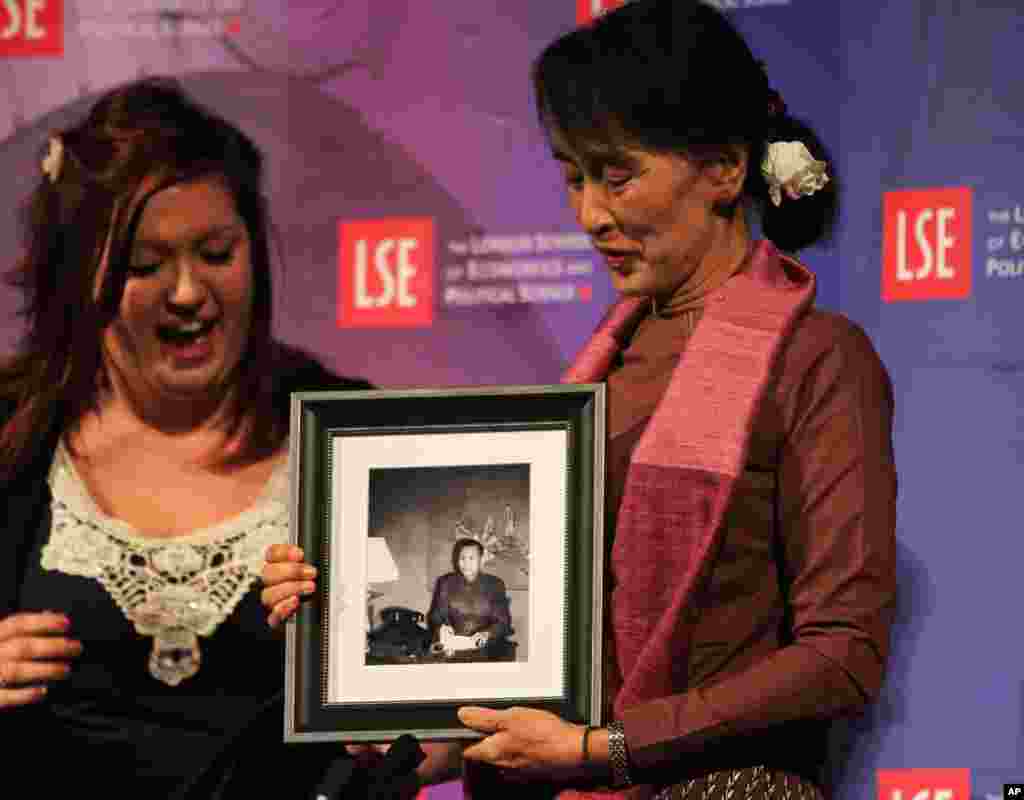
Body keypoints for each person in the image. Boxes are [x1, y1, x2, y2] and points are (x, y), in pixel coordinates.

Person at [263, 1, 897, 798]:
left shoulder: (819, 359)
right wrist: (363, 672)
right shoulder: (596, 370)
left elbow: (841, 656)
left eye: (617, 176)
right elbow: (548, 677)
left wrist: (609, 749)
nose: (591, 215)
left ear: (725, 170)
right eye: (574, 177)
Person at [0, 77, 403, 797]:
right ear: (81, 273)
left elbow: (427, 700)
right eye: (144, 265)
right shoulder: (11, 430)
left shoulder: (348, 430)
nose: (187, 292)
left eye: (216, 253)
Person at [427, 538, 513, 660]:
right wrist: (441, 628)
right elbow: (435, 616)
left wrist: (487, 634)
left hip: (486, 648)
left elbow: (503, 622)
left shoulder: (495, 584)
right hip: (452, 647)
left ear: (481, 560)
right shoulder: (445, 582)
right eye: (462, 558)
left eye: (471, 558)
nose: (466, 564)